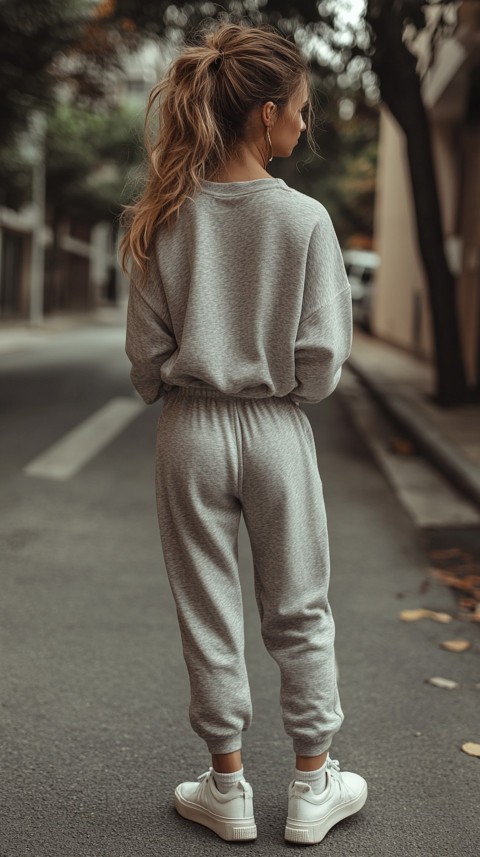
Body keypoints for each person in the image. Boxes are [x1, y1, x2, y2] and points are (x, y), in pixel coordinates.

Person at [121, 18, 367, 846]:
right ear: (266, 115)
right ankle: (310, 783)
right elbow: (324, 357)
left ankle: (225, 785)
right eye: (300, 109)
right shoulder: (304, 220)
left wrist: (177, 382)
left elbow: (145, 353)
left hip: (189, 427)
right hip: (274, 426)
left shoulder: (167, 214)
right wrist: (284, 391)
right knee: (298, 605)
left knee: (207, 606)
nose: (305, 124)